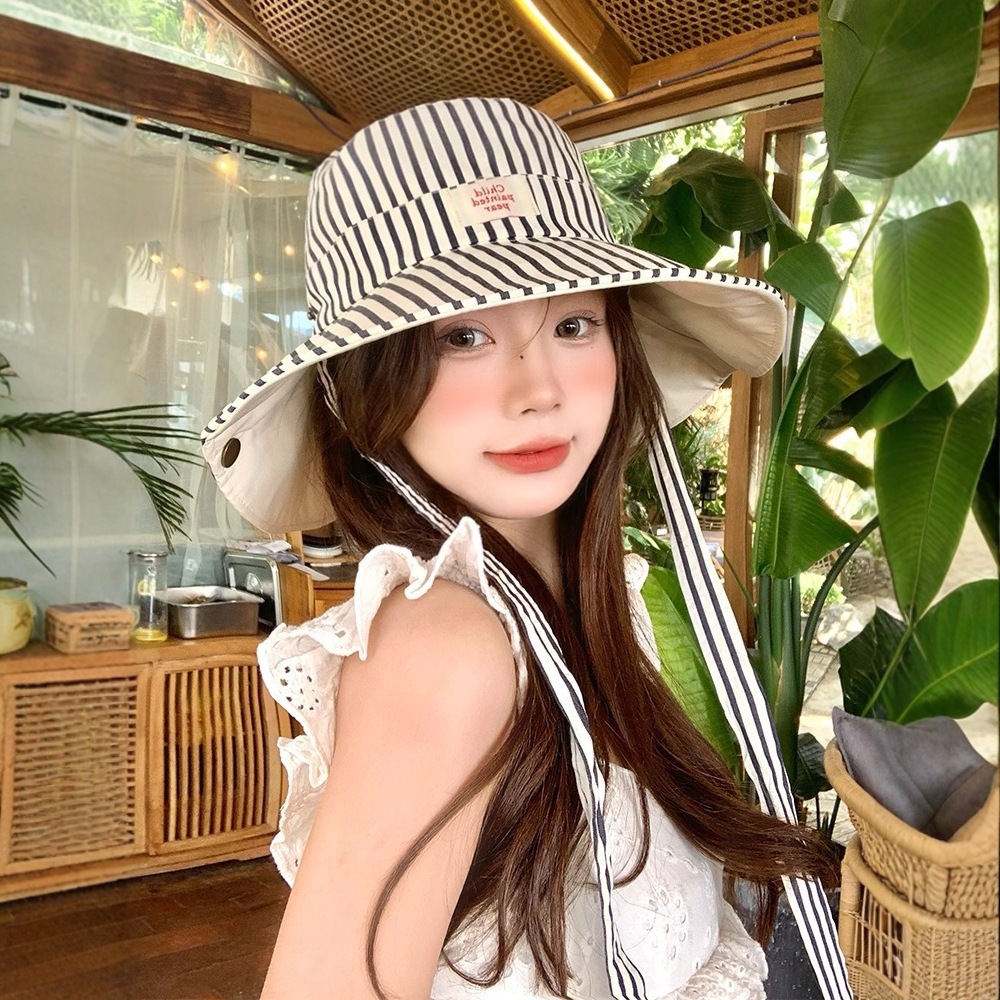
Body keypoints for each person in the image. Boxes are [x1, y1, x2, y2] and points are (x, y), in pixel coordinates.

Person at [202, 97, 849, 1000]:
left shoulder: (598, 604)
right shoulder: (446, 649)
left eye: (572, 325)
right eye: (463, 336)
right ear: (364, 384)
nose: (538, 389)